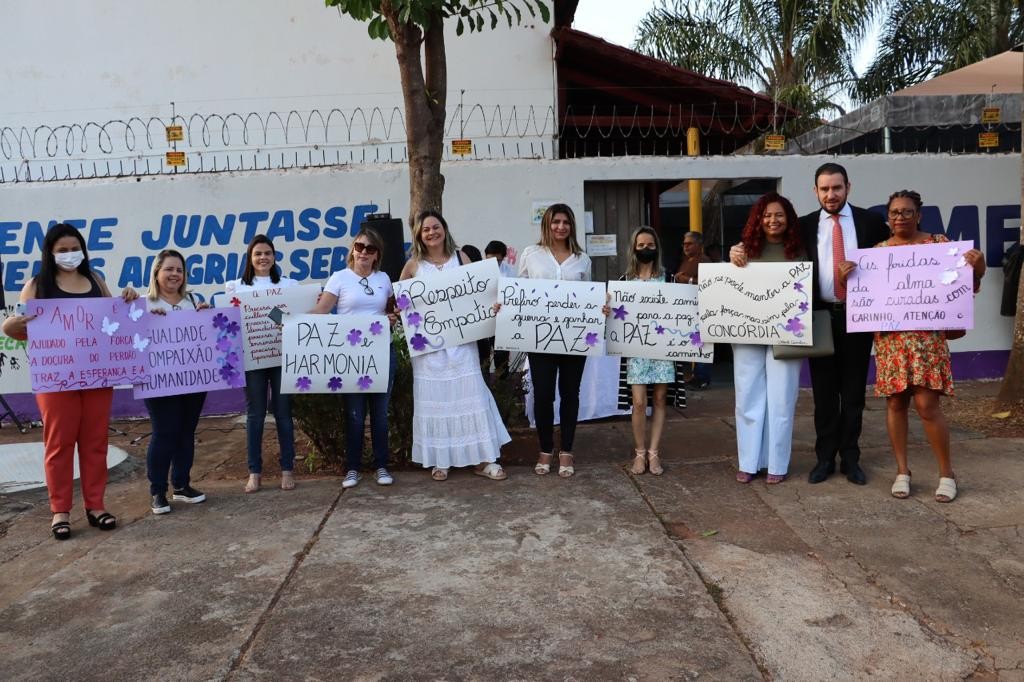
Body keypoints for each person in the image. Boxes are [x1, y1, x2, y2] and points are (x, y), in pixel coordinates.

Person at [732, 162, 888, 485]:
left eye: (837, 188)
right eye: (825, 189)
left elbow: (892, 262)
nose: (831, 194)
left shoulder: (872, 223)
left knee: (854, 392)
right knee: (825, 394)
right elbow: (766, 247)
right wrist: (738, 250)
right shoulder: (801, 227)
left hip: (857, 317)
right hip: (815, 318)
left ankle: (851, 459)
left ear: (848, 187)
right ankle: (824, 458)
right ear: (815, 191)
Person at [2, 223, 139, 539]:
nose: (69, 254)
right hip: (55, 380)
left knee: (94, 442)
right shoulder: (37, 286)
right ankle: (60, 510)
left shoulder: (95, 280)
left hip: (96, 376)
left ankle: (96, 506)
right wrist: (11, 324)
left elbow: (114, 319)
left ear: (84, 251)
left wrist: (128, 299)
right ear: (50, 253)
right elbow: (17, 327)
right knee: (59, 444)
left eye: (74, 248)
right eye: (62, 250)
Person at [876, 190, 985, 503]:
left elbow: (964, 286)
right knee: (896, 404)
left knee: (927, 406)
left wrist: (978, 267)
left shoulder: (940, 245)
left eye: (907, 212)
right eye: (895, 212)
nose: (901, 217)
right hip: (892, 342)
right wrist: (846, 278)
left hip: (927, 340)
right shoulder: (879, 252)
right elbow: (864, 296)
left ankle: (947, 473)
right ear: (888, 217)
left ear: (919, 215)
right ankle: (902, 471)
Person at [399, 210, 510, 482]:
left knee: (471, 396)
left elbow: (483, 294)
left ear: (445, 229)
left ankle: (484, 459)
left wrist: (492, 306)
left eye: (436, 227)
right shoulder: (413, 266)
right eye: (426, 229)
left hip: (462, 344)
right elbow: (401, 302)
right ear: (418, 235)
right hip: (430, 350)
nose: (432, 232)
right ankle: (442, 459)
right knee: (436, 400)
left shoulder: (462, 258)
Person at [729, 194, 806, 484]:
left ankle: (777, 462)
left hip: (788, 332)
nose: (773, 221)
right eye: (767, 216)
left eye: (779, 215)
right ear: (758, 220)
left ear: (789, 219)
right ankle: (748, 462)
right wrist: (732, 257)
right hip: (748, 332)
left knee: (782, 398)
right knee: (747, 395)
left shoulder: (799, 249)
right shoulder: (745, 249)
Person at [311, 227, 397, 488]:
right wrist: (289, 321)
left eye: (369, 249)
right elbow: (322, 310)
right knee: (355, 414)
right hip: (350, 355)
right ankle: (353, 468)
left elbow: (395, 312)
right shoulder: (339, 278)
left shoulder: (384, 279)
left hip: (382, 351)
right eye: (359, 246)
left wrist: (394, 319)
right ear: (352, 249)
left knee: (380, 414)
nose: (363, 252)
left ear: (376, 255)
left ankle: (382, 466)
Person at [517, 203, 592, 478]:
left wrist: (600, 307)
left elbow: (589, 297)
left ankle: (567, 451)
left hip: (574, 338)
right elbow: (519, 292)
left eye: (566, 222)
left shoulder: (583, 259)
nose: (560, 227)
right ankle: (545, 449)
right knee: (544, 395)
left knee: (570, 395)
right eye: (555, 222)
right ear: (546, 224)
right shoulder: (531, 254)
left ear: (572, 225)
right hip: (540, 339)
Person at [225, 235, 299, 493]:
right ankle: (254, 472)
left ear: (275, 256)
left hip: (282, 358)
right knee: (255, 416)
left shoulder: (290, 285)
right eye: (258, 253)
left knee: (283, 414)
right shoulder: (236, 288)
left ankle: (287, 468)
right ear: (250, 258)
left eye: (268, 253)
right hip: (252, 360)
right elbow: (229, 322)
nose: (263, 258)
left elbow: (297, 317)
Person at [144, 249, 210, 515]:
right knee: (164, 433)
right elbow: (129, 336)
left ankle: (181, 485)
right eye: (169, 269)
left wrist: (207, 316)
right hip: (159, 380)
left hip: (193, 379)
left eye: (179, 270)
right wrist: (146, 320)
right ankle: (158, 491)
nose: (174, 275)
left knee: (186, 431)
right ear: (157, 273)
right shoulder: (143, 304)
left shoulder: (193, 301)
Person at [619, 226, 673, 475]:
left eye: (650, 245)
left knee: (660, 399)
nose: (645, 249)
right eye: (640, 245)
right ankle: (639, 453)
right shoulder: (624, 281)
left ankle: (655, 452)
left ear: (657, 248)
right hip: (636, 348)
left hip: (663, 348)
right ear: (633, 248)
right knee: (639, 402)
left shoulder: (669, 278)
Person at [675, 231, 714, 389]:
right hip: (689, 309)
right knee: (695, 343)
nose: (686, 246)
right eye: (684, 243)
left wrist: (687, 280)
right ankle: (696, 375)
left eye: (689, 243)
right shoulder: (686, 260)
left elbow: (710, 284)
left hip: (703, 308)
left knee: (704, 343)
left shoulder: (705, 261)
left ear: (699, 245)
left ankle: (703, 378)